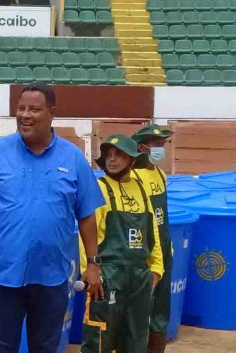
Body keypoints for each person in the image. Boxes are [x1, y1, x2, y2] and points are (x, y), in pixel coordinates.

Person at [0, 83, 105, 353]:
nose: (25, 115)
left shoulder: (72, 158)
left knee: (45, 347)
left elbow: (86, 215)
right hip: (2, 275)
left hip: (52, 276)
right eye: (21, 108)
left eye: (34, 109)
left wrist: (93, 263)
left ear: (52, 113)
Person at [81, 134, 164, 353]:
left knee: (136, 338)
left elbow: (152, 232)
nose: (112, 159)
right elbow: (85, 234)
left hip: (139, 277)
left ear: (132, 160)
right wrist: (89, 271)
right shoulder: (97, 189)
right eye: (108, 154)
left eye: (119, 155)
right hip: (107, 276)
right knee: (100, 338)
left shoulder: (141, 188)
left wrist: (156, 268)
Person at [132, 124, 174, 353]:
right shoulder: (133, 177)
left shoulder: (160, 174)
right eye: (156, 144)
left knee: (161, 307)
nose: (160, 149)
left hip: (164, 248)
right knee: (140, 307)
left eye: (163, 144)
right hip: (144, 251)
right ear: (141, 147)